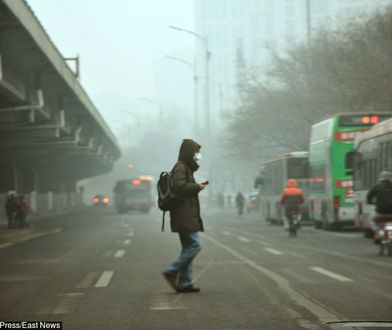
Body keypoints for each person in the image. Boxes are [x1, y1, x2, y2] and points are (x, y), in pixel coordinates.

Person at [162, 139, 208, 293]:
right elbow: (179, 185)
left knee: (187, 248)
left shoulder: (185, 167)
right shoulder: (181, 167)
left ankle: (185, 283)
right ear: (189, 152)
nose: (198, 155)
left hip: (185, 214)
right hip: (184, 214)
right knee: (195, 245)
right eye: (196, 152)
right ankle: (171, 270)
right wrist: (197, 187)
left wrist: (196, 186)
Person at [366, 170, 392, 244]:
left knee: (372, 220)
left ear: (381, 178)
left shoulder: (377, 186)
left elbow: (369, 196)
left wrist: (370, 202)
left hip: (380, 212)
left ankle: (378, 234)